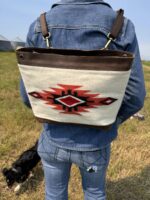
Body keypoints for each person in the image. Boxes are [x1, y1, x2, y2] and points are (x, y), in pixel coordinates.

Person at [20, 0, 146, 199]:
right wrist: (106, 119)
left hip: (52, 140)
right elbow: (135, 96)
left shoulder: (40, 24)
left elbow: (27, 95)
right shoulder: (121, 25)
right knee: (94, 193)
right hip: (95, 146)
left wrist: (51, 112)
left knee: (53, 194)